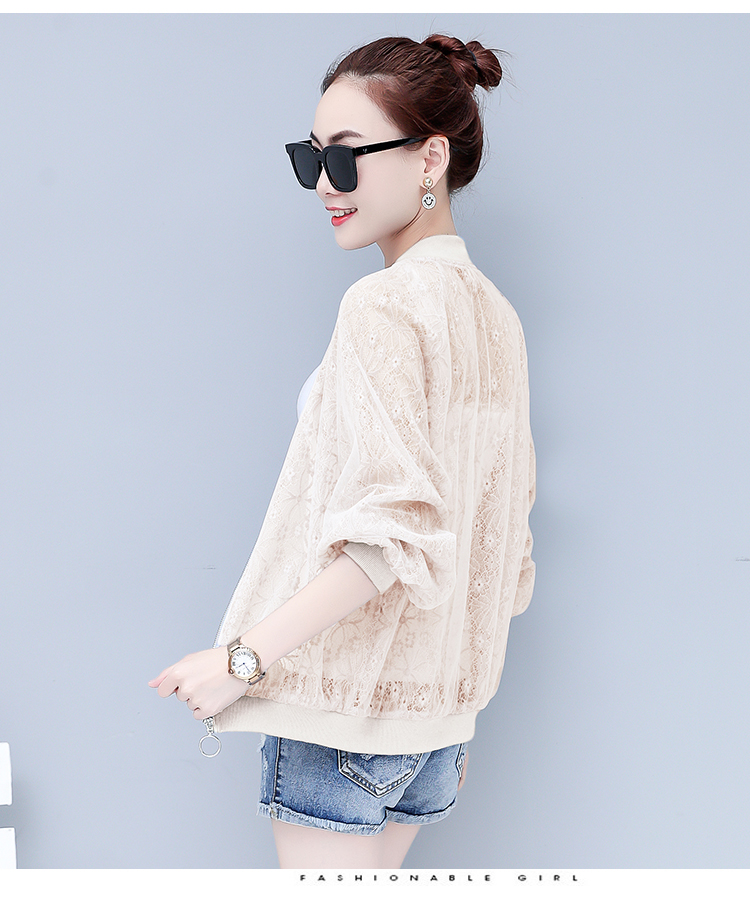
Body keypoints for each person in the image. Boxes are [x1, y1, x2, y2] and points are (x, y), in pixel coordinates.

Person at [149, 33, 536, 869]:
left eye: (347, 157)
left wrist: (241, 660)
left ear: (431, 156)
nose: (325, 183)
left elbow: (388, 537)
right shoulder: (496, 319)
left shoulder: (382, 307)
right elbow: (505, 549)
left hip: (347, 721)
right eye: (311, 157)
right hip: (438, 729)